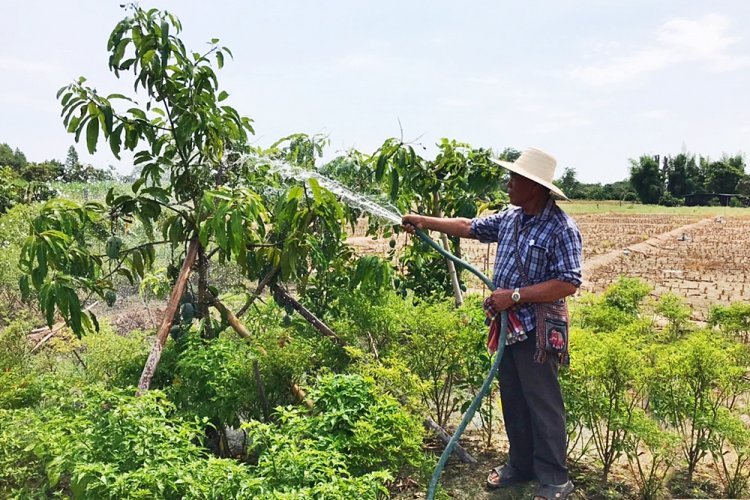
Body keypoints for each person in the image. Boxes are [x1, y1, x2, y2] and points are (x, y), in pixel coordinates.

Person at [402, 147, 582, 500]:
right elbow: (469, 227)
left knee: (543, 403)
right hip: (510, 325)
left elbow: (568, 282)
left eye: (514, 178)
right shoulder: (512, 218)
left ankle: (555, 479)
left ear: (535, 186)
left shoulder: (561, 229)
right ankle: (520, 465)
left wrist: (514, 295)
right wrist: (424, 221)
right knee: (513, 399)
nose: (508, 183)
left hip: (537, 327)